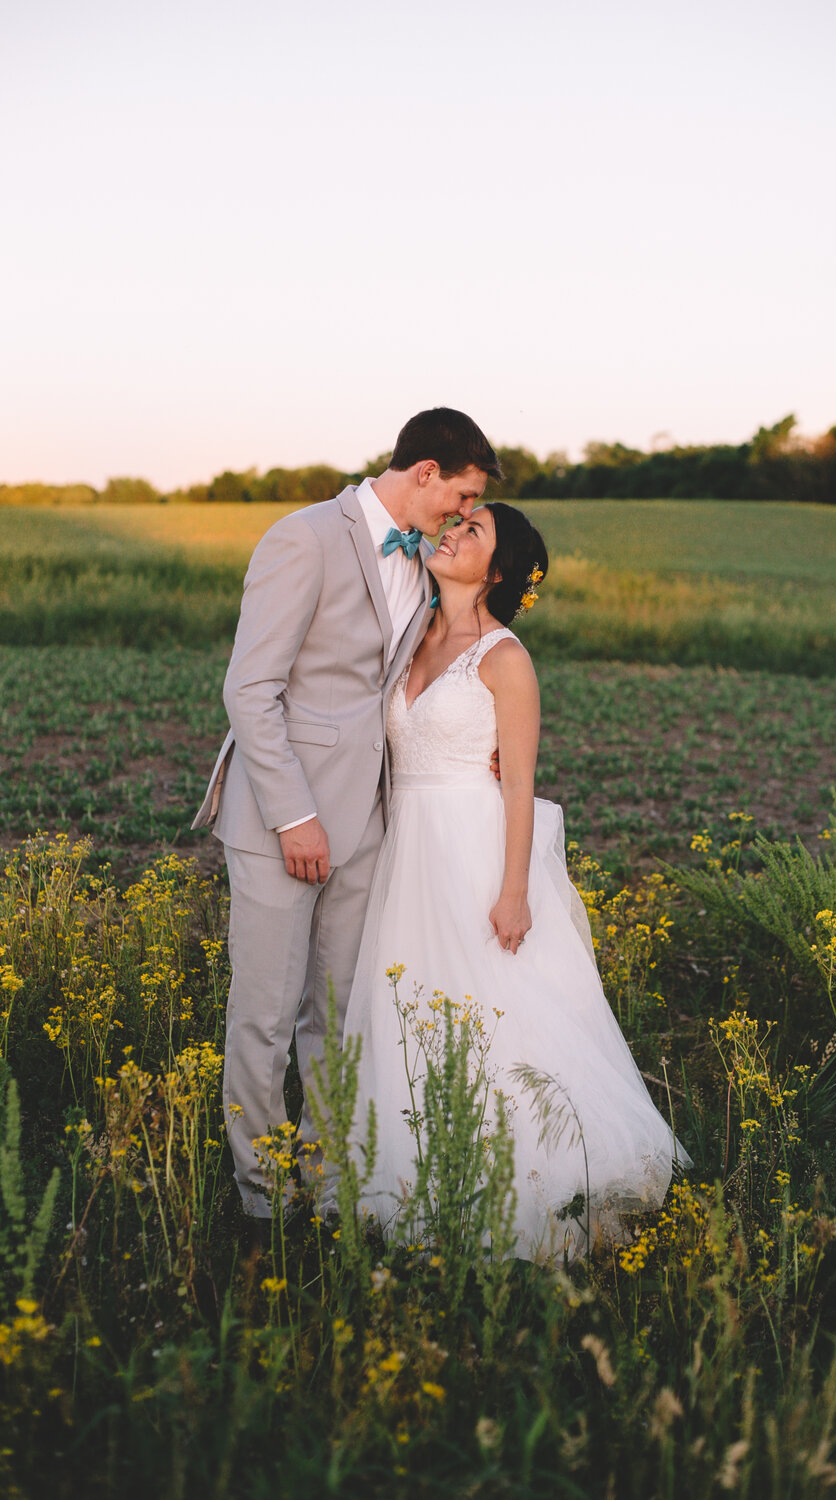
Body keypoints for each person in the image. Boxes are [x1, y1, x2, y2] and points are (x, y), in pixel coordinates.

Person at [343, 502, 690, 1257]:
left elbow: (519, 783)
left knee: (490, 1007)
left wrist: (513, 893)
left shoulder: (505, 659)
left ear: (497, 571)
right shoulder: (410, 636)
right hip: (408, 853)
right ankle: (409, 1165)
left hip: (473, 849)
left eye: (473, 532)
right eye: (455, 523)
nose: (452, 533)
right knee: (411, 1005)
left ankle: (527, 1178)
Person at [192, 409, 503, 1217]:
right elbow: (250, 689)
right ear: (426, 472)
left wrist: (474, 741)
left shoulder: (424, 560)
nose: (465, 516)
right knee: (263, 1016)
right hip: (281, 820)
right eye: (463, 495)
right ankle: (262, 1197)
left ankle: (328, 1188)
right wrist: (294, 817)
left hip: (369, 821)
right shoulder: (304, 537)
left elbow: (413, 680)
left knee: (335, 1017)